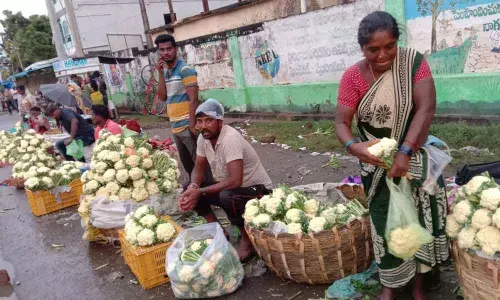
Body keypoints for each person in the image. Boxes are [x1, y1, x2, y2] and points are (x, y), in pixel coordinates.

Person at [334, 11, 448, 300]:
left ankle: (420, 286)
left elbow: (426, 108)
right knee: (387, 224)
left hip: (416, 157)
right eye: (374, 49)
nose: (383, 55)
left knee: (421, 221)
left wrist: (406, 152)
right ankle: (392, 285)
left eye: (390, 46)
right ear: (362, 48)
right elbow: (340, 123)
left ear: (398, 42)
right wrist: (353, 147)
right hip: (377, 163)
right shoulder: (352, 77)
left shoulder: (413, 63)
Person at [178, 99, 272, 260]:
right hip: (232, 188)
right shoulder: (204, 138)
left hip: (257, 191)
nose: (203, 126)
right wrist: (193, 187)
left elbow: (236, 180)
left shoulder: (230, 138)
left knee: (227, 196)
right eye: (200, 121)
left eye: (209, 120)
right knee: (189, 187)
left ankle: (247, 240)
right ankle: (219, 233)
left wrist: (199, 191)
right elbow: (198, 168)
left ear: (219, 122)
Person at [155, 34, 211, 181]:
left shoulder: (185, 70)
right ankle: (200, 199)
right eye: (162, 50)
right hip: (176, 127)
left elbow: (193, 99)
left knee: (201, 166)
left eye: (169, 49)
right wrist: (160, 73)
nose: (166, 52)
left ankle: (210, 196)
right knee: (188, 166)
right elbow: (162, 97)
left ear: (175, 49)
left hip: (187, 126)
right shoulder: (166, 72)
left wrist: (192, 126)